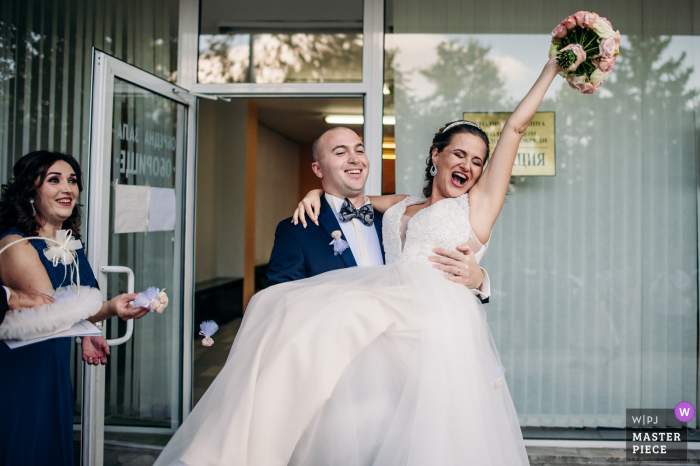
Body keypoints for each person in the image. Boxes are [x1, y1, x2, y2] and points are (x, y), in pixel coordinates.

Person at [155, 45, 586, 466]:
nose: (469, 167)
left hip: (433, 323)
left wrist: (551, 68)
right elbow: (349, 197)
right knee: (280, 309)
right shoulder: (401, 204)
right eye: (459, 154)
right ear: (436, 155)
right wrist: (313, 190)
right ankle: (235, 449)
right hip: (387, 326)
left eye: (478, 161)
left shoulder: (476, 206)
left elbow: (514, 129)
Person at [0, 151, 150, 466]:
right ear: (31, 191)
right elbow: (51, 310)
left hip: (52, 363)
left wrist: (111, 309)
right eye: (54, 180)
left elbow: (81, 305)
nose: (68, 188)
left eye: (72, 181)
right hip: (23, 368)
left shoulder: (67, 242)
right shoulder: (16, 244)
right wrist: (100, 312)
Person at [267, 126, 490, 301]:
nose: (354, 158)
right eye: (340, 152)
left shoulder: (393, 222)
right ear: (317, 169)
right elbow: (280, 302)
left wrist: (479, 279)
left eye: (359, 150)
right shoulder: (295, 231)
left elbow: (428, 276)